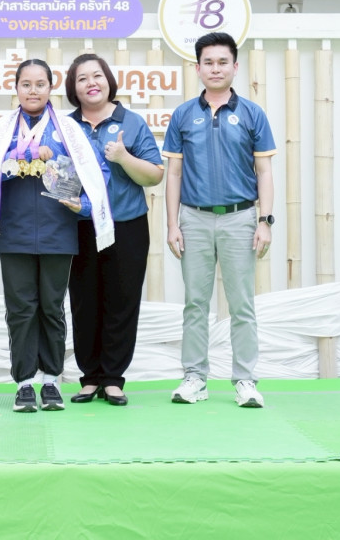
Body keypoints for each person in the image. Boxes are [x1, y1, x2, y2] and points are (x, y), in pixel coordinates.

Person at [0, 59, 114, 413]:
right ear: (16, 88)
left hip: (58, 231)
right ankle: (23, 383)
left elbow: (98, 171)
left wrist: (82, 205)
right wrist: (22, 157)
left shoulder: (69, 130)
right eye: (26, 84)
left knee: (52, 308)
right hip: (14, 232)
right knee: (20, 310)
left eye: (40, 84)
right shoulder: (2, 130)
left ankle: (51, 379)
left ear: (51, 87)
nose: (33, 91)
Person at [162, 31, 277, 408]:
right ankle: (195, 378)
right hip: (193, 220)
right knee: (195, 303)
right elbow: (174, 174)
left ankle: (245, 380)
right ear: (197, 68)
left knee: (242, 304)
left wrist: (265, 221)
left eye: (222, 62)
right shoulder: (183, 115)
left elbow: (264, 172)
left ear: (235, 67)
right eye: (208, 62)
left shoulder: (252, 114)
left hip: (240, 219)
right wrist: (172, 224)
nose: (215, 68)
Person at [64, 53, 163, 407]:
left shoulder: (131, 122)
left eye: (97, 75)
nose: (91, 83)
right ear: (73, 88)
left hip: (126, 225)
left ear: (108, 80)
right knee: (84, 302)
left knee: (122, 300)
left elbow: (154, 174)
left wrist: (123, 157)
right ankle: (90, 377)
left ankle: (113, 379)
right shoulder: (65, 126)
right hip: (80, 226)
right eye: (82, 78)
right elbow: (58, 171)